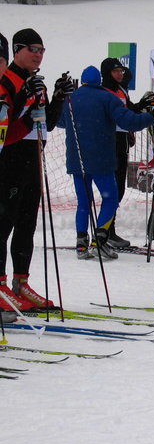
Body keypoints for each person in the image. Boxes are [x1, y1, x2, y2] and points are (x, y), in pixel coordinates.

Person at [0, 28, 72, 312]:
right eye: (33, 49)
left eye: (42, 50)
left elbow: (47, 124)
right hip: (10, 160)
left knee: (27, 225)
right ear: (17, 50)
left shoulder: (36, 83)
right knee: (4, 224)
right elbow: (9, 125)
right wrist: (24, 102)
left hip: (32, 159)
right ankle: (1, 284)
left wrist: (58, 97)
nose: (38, 55)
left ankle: (21, 283)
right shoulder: (7, 80)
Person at [59, 66, 154, 260]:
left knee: (83, 202)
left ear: (83, 81)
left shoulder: (70, 99)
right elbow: (129, 122)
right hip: (101, 159)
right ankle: (99, 240)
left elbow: (59, 121)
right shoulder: (108, 98)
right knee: (110, 199)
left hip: (77, 160)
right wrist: (153, 116)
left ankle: (81, 244)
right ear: (99, 80)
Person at [100, 57, 154, 248]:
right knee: (112, 190)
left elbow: (128, 110)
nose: (120, 74)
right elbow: (120, 114)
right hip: (111, 143)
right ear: (107, 73)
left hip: (122, 142)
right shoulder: (106, 92)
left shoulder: (120, 89)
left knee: (118, 189)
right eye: (116, 71)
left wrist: (141, 105)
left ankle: (108, 230)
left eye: (121, 71)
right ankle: (105, 231)